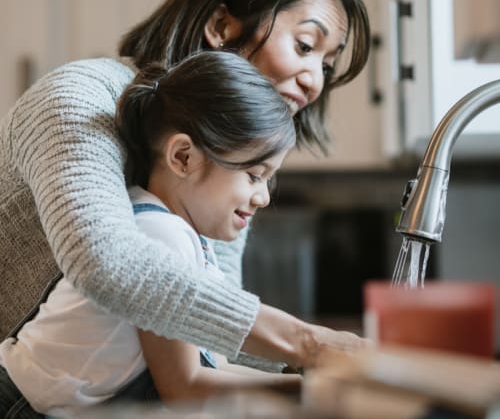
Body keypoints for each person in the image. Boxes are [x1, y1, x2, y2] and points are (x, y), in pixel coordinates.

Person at [0, 0, 371, 407]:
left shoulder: (215, 171)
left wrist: (335, 377)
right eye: (304, 46)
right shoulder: (79, 97)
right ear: (221, 27)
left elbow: (204, 334)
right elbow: (106, 263)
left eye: (326, 63)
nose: (315, 81)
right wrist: (311, 345)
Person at [0, 52, 303, 416]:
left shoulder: (186, 236)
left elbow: (215, 368)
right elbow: (186, 387)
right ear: (183, 158)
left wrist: (304, 382)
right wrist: (312, 387)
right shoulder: (161, 235)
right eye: (254, 175)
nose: (264, 197)